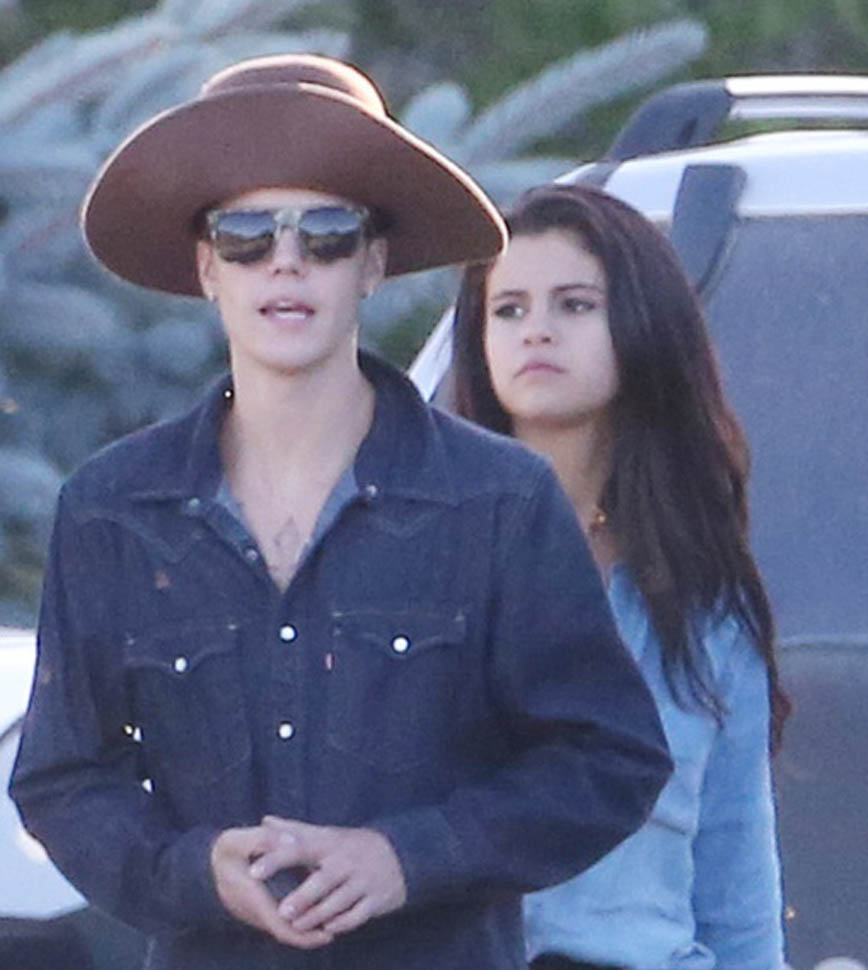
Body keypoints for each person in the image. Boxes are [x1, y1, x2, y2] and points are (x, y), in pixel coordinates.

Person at [9, 56, 672, 970]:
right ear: (207, 267)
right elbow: (62, 779)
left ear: (374, 263)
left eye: (326, 232)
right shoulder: (113, 509)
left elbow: (610, 757)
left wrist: (409, 858)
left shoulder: (499, 499)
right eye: (246, 233)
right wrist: (195, 870)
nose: (286, 260)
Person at [453, 182, 789, 970]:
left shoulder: (704, 606)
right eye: (508, 309)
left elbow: (736, 886)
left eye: (574, 304)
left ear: (642, 323)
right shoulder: (423, 563)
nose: (537, 329)